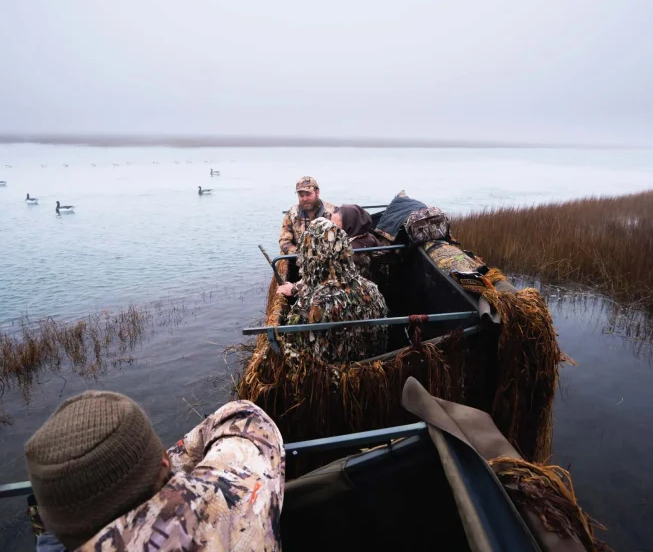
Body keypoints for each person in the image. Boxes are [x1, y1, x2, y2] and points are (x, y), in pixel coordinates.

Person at [25, 392, 284, 552]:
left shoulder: (57, 532)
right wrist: (166, 461)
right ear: (163, 463)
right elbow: (247, 420)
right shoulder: (227, 503)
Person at [277, 218, 388, 363]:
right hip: (373, 367)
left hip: (334, 376)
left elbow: (298, 353)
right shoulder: (372, 289)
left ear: (308, 257)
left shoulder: (310, 305)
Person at [279, 176, 337, 255]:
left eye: (308, 194)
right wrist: (300, 254)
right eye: (301, 195)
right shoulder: (292, 214)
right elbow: (284, 240)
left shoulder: (333, 213)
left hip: (326, 257)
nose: (305, 199)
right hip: (297, 258)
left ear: (317, 192)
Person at [331, 204, 380, 278]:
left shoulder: (354, 250)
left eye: (335, 225)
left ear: (349, 224)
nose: (331, 229)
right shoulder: (368, 236)